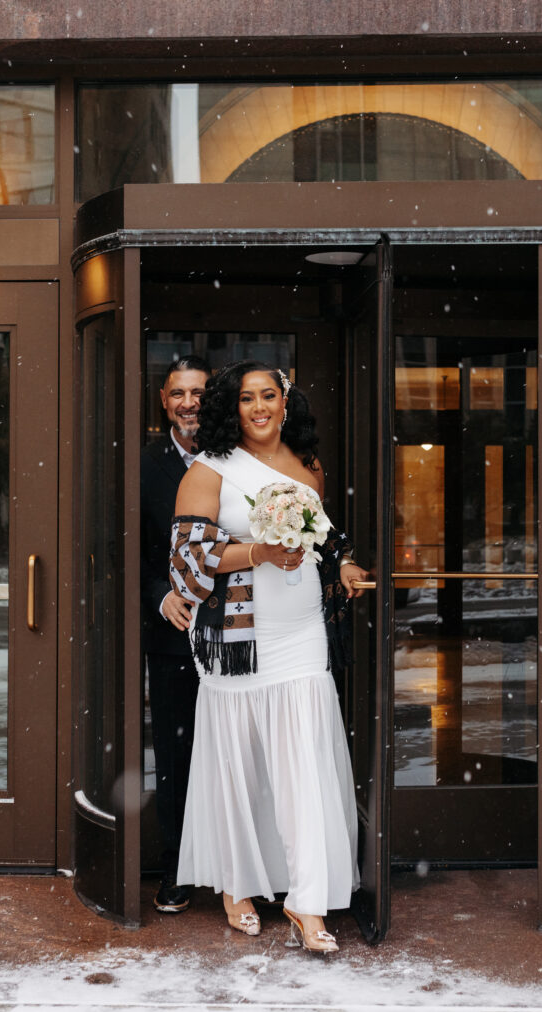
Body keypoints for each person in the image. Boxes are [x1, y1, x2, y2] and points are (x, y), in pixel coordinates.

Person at [170, 360, 368, 953]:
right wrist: (257, 550)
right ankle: (238, 886)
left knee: (302, 764)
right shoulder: (209, 470)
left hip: (303, 632)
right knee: (243, 767)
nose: (259, 407)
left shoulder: (309, 467)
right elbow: (186, 559)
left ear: (286, 403)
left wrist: (346, 564)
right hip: (236, 643)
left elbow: (325, 539)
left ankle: (307, 903)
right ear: (232, 407)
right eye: (247, 398)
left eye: (270, 396)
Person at [140, 353, 211, 912]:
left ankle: (237, 868)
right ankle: (177, 868)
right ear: (164, 401)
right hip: (172, 639)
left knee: (234, 753)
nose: (189, 403)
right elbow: (125, 548)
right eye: (178, 393)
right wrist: (159, 594)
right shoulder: (144, 465)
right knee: (177, 756)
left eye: (198, 392)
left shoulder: (232, 460)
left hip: (239, 635)